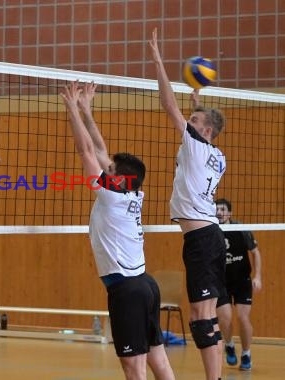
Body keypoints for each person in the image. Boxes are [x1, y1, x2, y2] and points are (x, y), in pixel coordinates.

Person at [61, 81, 174, 380]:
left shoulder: (111, 195)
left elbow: (86, 150)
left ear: (120, 179)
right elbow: (99, 150)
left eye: (111, 169)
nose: (106, 166)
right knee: (158, 360)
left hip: (127, 289)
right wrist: (87, 109)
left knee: (134, 367)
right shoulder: (134, 192)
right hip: (146, 285)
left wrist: (71, 108)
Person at [149, 28, 227, 380]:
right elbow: (203, 129)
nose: (188, 123)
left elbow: (168, 104)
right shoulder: (218, 155)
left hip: (200, 240)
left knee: (199, 318)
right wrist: (199, 106)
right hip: (209, 236)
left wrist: (158, 61)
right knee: (205, 316)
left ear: (204, 131)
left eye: (193, 121)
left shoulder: (197, 144)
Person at [215, 198, 261, 371]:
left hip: (242, 280)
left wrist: (258, 276)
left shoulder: (240, 228)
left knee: (243, 318)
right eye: (216, 209)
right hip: (222, 281)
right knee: (225, 319)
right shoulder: (212, 231)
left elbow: (256, 253)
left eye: (223, 209)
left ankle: (246, 353)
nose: (219, 212)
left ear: (230, 213)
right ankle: (229, 345)